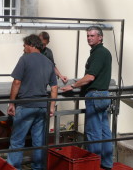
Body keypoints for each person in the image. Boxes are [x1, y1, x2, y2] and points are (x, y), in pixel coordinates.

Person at [60, 26, 113, 170]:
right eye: (88, 36)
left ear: (100, 37)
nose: (89, 38)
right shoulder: (104, 52)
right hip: (104, 94)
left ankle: (93, 165)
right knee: (104, 131)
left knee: (93, 133)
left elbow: (90, 77)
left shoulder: (99, 53)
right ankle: (107, 164)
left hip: (95, 96)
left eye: (92, 36)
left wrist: (73, 86)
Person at [7, 34, 58, 170]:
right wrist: (52, 106)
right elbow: (54, 87)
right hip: (42, 106)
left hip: (25, 105)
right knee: (39, 142)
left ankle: (13, 168)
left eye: (24, 46)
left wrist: (11, 103)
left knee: (17, 142)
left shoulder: (24, 59)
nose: (23, 49)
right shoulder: (48, 62)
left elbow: (17, 82)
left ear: (31, 45)